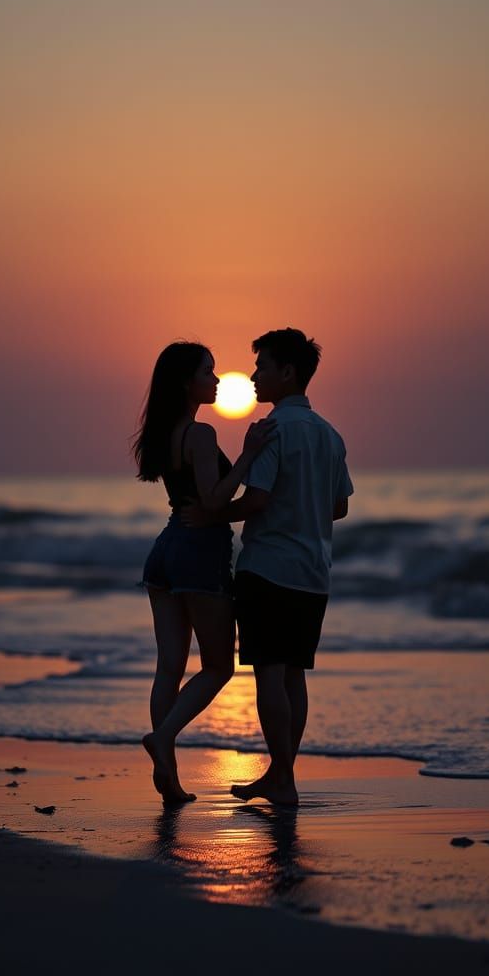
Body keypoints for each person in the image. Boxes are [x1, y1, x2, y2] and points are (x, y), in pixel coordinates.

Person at [187, 328, 352, 806]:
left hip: (269, 568)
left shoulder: (273, 430)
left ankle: (282, 778)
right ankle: (283, 774)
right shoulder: (330, 434)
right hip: (314, 572)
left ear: (288, 373)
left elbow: (256, 500)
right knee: (293, 675)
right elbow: (338, 507)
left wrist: (213, 514)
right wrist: (303, 510)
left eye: (261, 367)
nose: (254, 376)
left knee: (269, 674)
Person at [134, 341, 275, 804]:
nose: (216, 380)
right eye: (208, 372)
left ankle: (169, 780)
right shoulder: (200, 434)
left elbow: (197, 502)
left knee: (169, 667)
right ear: (185, 382)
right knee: (218, 666)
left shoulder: (164, 433)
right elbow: (213, 501)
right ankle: (164, 738)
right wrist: (250, 456)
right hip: (199, 554)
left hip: (166, 551)